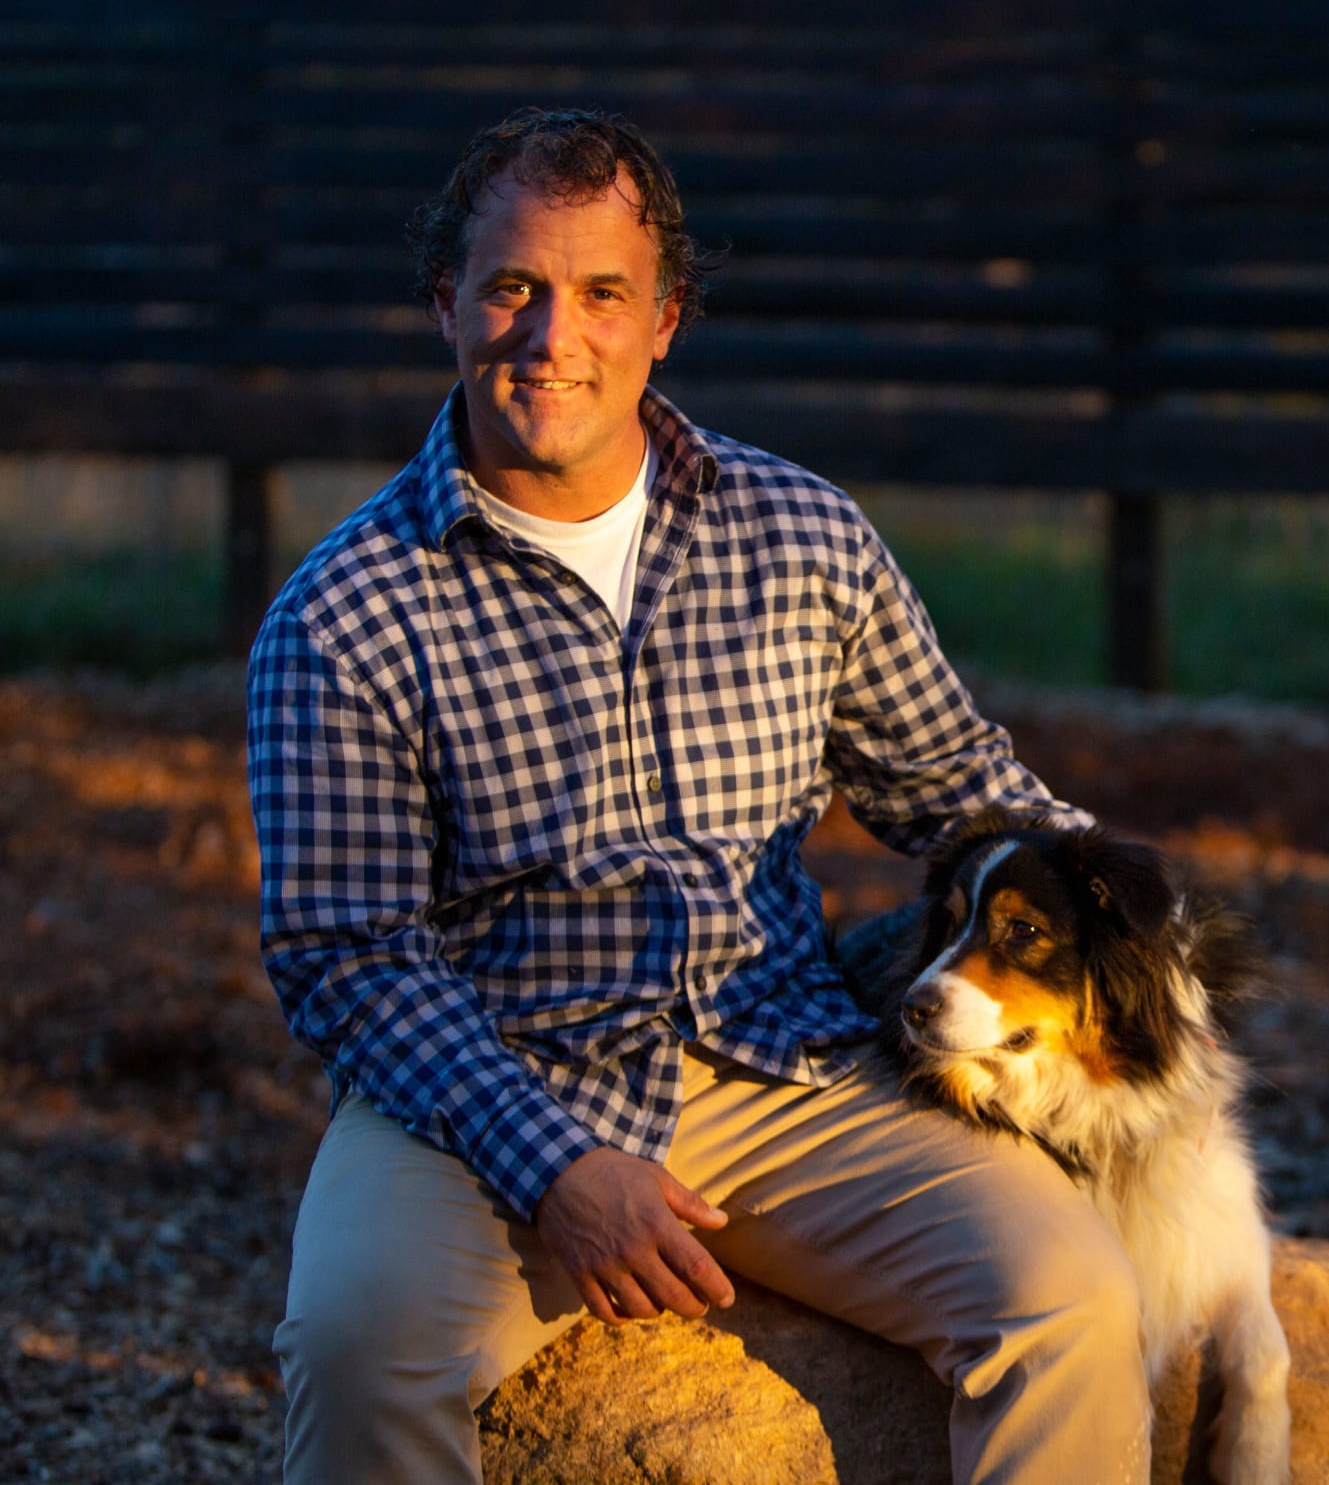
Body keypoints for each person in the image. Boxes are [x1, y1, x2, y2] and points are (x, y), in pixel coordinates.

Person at [247, 106, 1150, 1485]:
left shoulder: (799, 535)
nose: (556, 337)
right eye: (514, 288)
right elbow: (349, 956)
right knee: (357, 1350)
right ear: (447, 303)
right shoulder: (345, 614)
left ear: (665, 317)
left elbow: (954, 785)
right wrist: (554, 1166)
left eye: (603, 293)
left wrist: (1140, 925)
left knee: (1068, 1299)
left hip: (784, 1058)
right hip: (487, 1082)